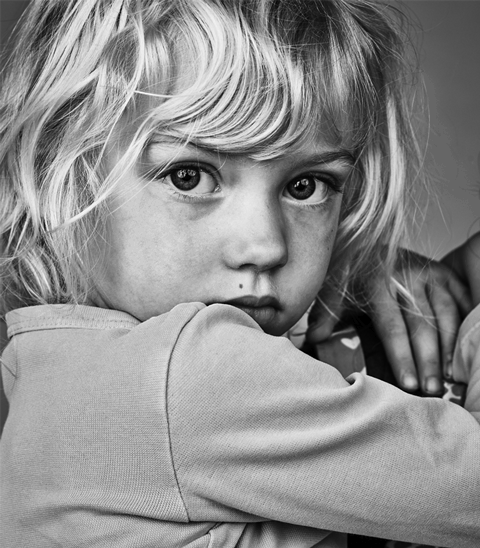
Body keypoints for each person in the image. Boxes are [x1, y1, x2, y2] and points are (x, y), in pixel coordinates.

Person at [0, 1, 478, 547]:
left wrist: (378, 277)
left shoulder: (57, 370)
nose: (266, 246)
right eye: (189, 175)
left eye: (306, 186)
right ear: (63, 178)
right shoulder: (183, 378)